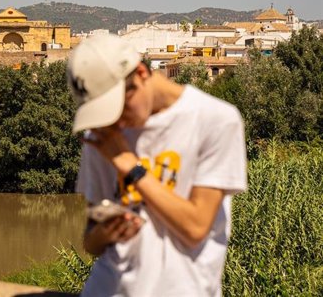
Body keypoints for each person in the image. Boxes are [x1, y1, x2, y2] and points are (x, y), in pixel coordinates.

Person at [66, 34, 247, 297]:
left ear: (140, 73)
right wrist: (107, 231)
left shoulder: (215, 120)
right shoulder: (103, 135)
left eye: (116, 107)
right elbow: (91, 241)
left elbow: (196, 227)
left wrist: (134, 169)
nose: (114, 121)